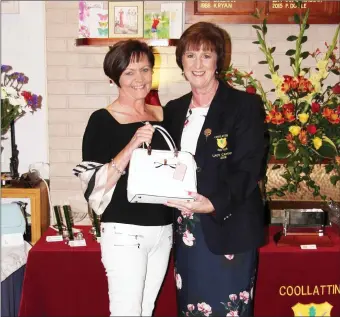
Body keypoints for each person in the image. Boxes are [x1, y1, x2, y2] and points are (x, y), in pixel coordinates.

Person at [163, 22, 268, 316]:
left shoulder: (243, 106)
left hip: (228, 225)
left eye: (206, 56)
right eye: (190, 55)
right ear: (181, 61)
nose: (198, 64)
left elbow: (249, 167)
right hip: (186, 231)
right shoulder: (172, 110)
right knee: (190, 309)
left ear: (218, 61)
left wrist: (212, 203)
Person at [74, 40, 173, 316]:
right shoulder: (102, 120)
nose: (139, 79)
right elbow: (92, 184)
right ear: (114, 77)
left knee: (146, 309)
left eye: (144, 69)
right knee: (126, 311)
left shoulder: (164, 116)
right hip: (124, 232)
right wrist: (130, 147)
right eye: (129, 72)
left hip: (163, 230)